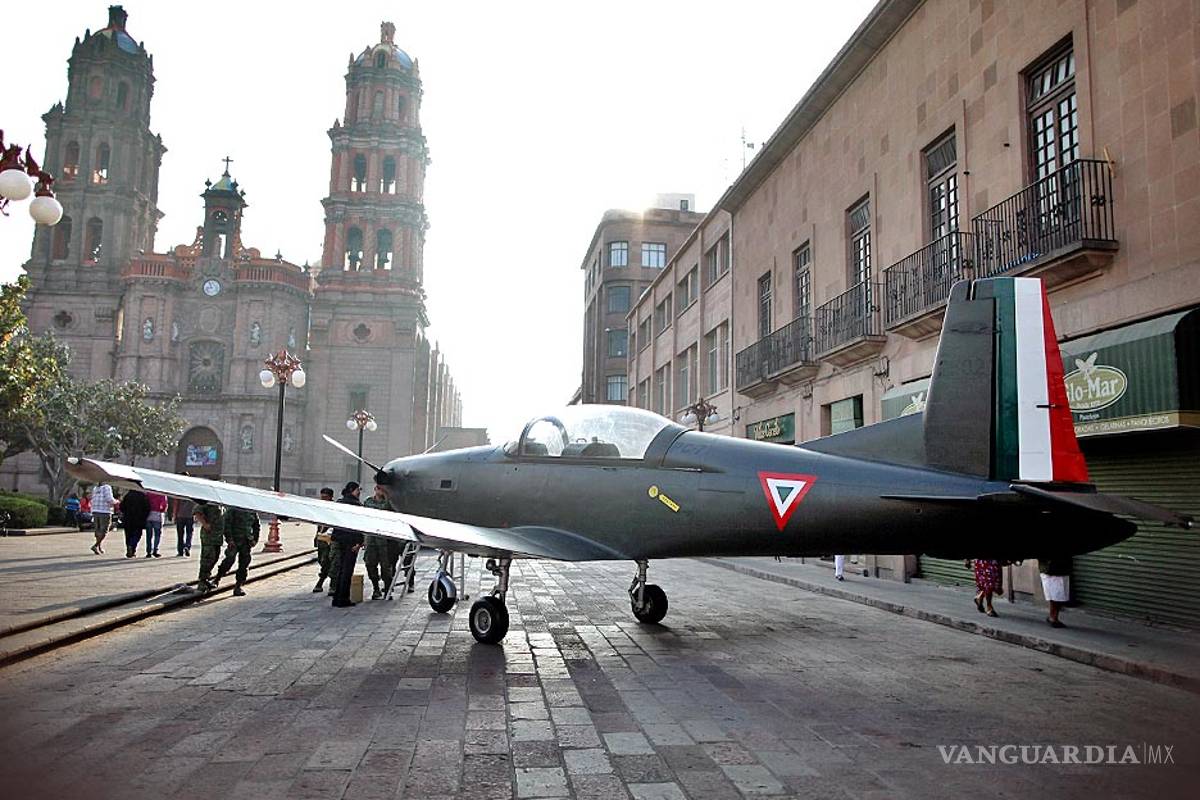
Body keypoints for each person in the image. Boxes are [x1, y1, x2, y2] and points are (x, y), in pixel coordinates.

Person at [362, 483, 403, 599]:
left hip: (386, 541)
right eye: (378, 489)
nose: (380, 491)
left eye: (382, 489)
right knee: (370, 564)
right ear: (375, 489)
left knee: (387, 567)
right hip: (371, 539)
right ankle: (376, 588)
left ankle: (387, 590)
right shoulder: (368, 502)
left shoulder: (389, 503)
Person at [330, 482, 365, 608]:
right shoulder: (357, 506)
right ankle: (343, 599)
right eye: (358, 490)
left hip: (338, 539)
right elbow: (360, 526)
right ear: (352, 490)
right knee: (347, 571)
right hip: (351, 541)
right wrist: (359, 542)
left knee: (340, 570)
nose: (359, 492)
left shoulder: (339, 503)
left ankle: (336, 597)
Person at [194, 500, 225, 591]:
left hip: (217, 537)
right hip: (208, 536)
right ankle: (202, 581)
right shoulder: (206, 502)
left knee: (215, 557)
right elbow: (197, 512)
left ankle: (206, 578)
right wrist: (205, 524)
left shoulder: (220, 504)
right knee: (207, 558)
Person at [312, 487, 335, 593]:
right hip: (321, 539)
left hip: (330, 540)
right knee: (322, 560)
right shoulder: (320, 508)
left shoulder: (333, 509)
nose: (323, 499)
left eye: (325, 497)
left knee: (328, 561)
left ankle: (326, 583)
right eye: (322, 497)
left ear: (330, 497)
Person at [1039, 557, 1071, 628]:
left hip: (1060, 569)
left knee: (1058, 596)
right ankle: (1053, 617)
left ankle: (1053, 617)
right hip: (1051, 569)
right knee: (1055, 596)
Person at [120, 488, 150, 559]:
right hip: (139, 519)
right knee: (137, 534)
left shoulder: (127, 496)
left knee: (128, 535)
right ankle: (132, 547)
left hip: (127, 519)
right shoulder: (143, 496)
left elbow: (121, 507)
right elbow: (147, 508)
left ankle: (129, 549)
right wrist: (144, 517)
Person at [89, 481, 114, 554]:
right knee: (104, 530)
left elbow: (93, 499)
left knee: (98, 530)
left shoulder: (95, 488)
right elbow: (109, 499)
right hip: (105, 511)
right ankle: (96, 545)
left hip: (95, 510)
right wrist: (116, 501)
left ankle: (99, 547)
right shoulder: (107, 487)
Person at [145, 491, 168, 558]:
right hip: (158, 515)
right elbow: (164, 506)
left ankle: (149, 551)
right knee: (157, 535)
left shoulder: (148, 493)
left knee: (149, 535)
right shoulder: (162, 494)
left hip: (148, 515)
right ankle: (155, 550)